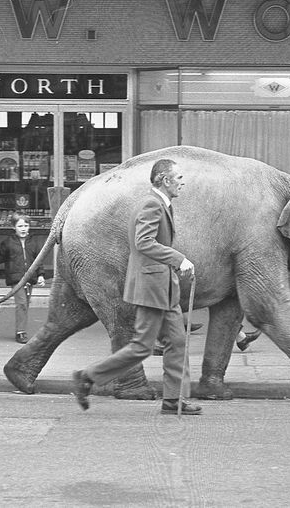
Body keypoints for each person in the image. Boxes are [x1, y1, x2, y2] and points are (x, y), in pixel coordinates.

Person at [72, 158, 199, 415]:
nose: (182, 182)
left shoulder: (161, 204)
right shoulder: (151, 205)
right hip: (152, 287)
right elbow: (143, 242)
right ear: (165, 180)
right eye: (179, 178)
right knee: (141, 346)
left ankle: (173, 399)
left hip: (163, 287)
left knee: (177, 341)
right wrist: (178, 259)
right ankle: (87, 377)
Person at [0, 214, 46, 344]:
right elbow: (1, 258)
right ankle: (21, 332)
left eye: (25, 225)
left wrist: (40, 275)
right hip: (16, 278)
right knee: (22, 303)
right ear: (14, 227)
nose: (23, 228)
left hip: (30, 277)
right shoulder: (7, 242)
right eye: (20, 226)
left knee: (25, 305)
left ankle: (21, 328)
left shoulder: (34, 242)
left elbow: (38, 260)